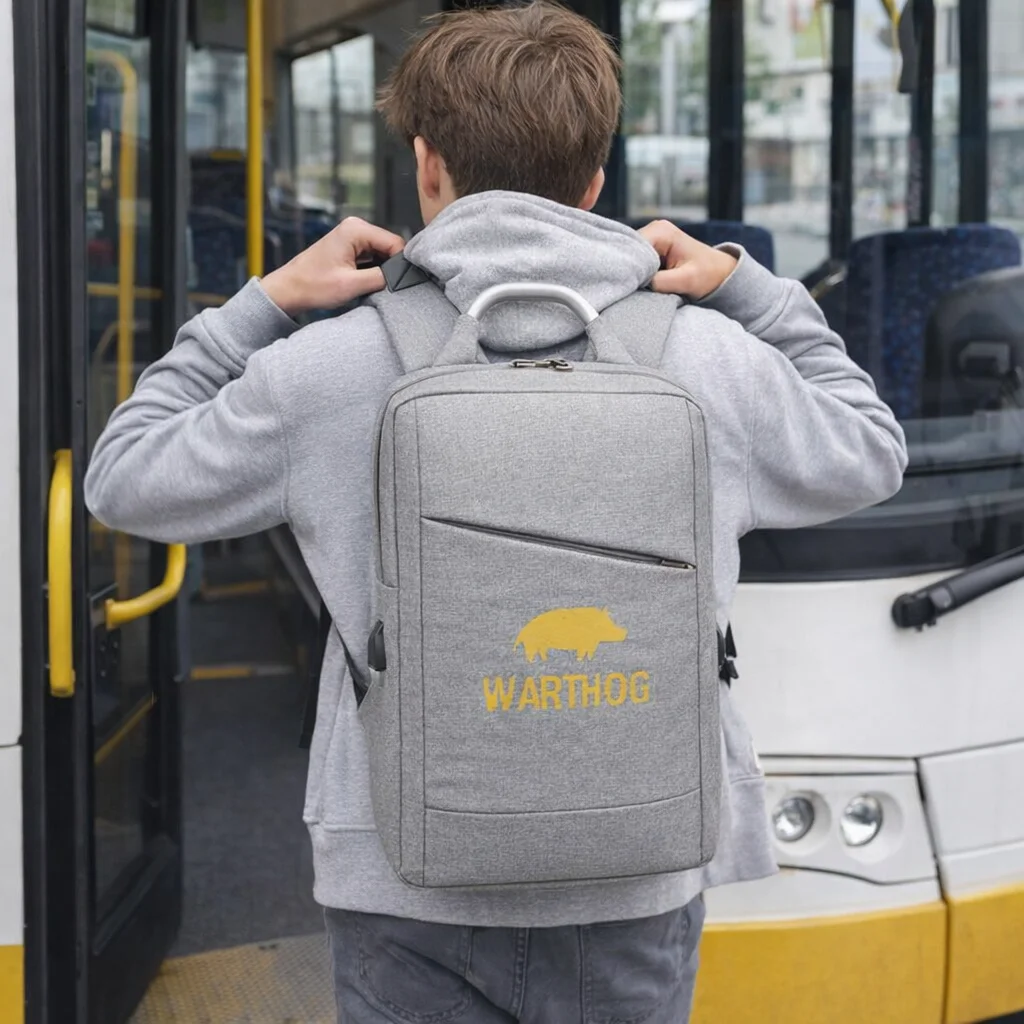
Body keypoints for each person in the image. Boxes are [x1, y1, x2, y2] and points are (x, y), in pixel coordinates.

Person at [85, 2, 907, 1020]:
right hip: (635, 874)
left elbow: (122, 476)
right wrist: (751, 292)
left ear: (428, 167)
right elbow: (873, 449)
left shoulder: (332, 366)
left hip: (403, 874)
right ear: (595, 178)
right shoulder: (705, 356)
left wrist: (263, 303)